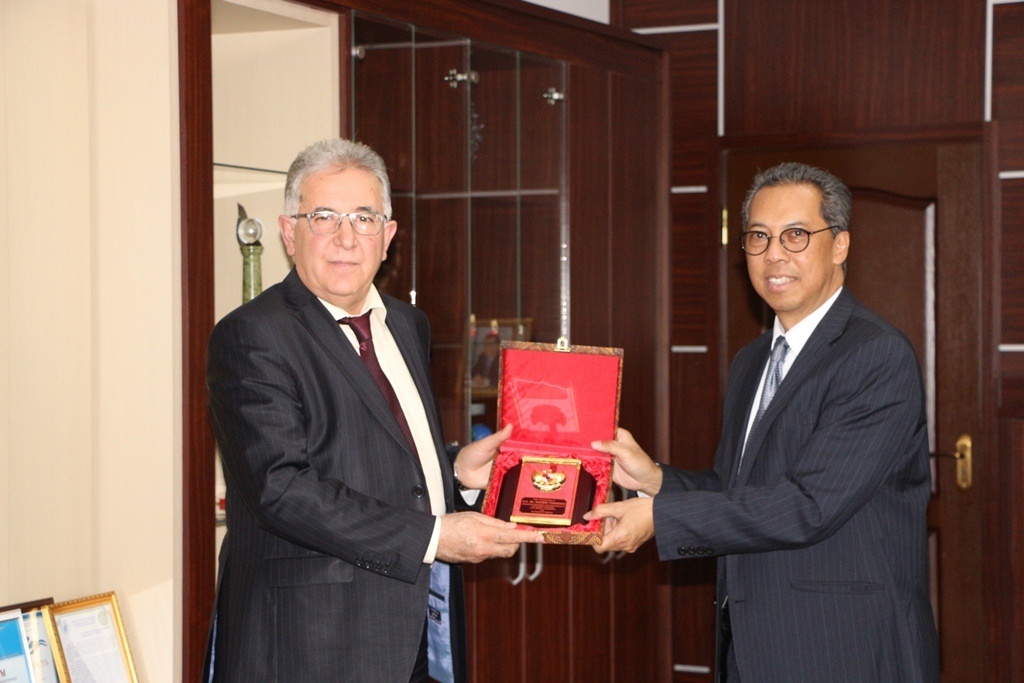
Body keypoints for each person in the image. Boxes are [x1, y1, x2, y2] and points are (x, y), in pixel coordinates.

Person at [204, 138, 541, 682]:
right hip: (309, 645)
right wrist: (434, 538)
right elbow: (281, 489)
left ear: (387, 236)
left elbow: (379, 454)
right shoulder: (252, 335)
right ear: (289, 232)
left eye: (364, 218)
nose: (346, 238)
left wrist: (454, 470)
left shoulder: (407, 325)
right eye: (324, 217)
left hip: (414, 633)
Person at [587, 162, 939, 681]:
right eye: (759, 236)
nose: (774, 254)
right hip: (754, 645)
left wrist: (661, 518)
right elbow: (742, 491)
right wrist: (657, 482)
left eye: (796, 235)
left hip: (846, 648)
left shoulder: (874, 355)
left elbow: (809, 505)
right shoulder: (753, 360)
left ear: (839, 245)